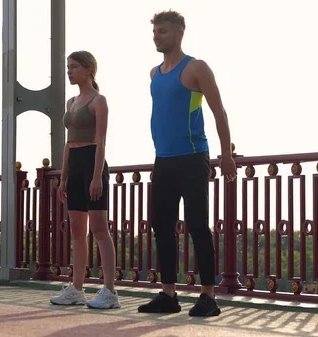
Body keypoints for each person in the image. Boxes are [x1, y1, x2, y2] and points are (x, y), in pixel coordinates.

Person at [137, 10, 237, 317]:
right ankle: (168, 293)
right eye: (155, 32)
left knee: (196, 225)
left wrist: (226, 155)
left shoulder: (196, 68)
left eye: (162, 32)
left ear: (180, 33)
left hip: (193, 157)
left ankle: (208, 296)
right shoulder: (155, 73)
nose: (157, 36)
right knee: (162, 226)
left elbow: (219, 112)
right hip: (163, 160)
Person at [49, 50, 121, 309]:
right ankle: (76, 289)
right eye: (68, 67)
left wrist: (96, 177)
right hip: (75, 164)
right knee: (78, 232)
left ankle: (110, 291)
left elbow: (100, 141)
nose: (69, 71)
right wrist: (64, 177)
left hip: (93, 163)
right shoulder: (70, 103)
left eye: (74, 67)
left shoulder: (98, 101)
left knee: (100, 230)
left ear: (89, 70)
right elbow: (69, 144)